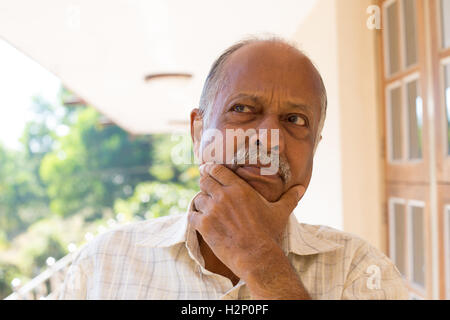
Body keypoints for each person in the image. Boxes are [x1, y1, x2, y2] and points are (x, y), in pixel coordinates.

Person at [59, 36, 410, 300]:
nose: (269, 140)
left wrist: (262, 263)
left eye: (295, 119)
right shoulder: (103, 263)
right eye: (243, 110)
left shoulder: (359, 269)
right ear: (198, 133)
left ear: (315, 147)